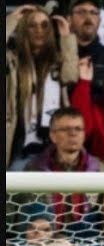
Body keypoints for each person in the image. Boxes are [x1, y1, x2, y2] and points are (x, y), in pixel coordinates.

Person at [5, 4, 78, 169]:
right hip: (20, 148)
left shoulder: (58, 60)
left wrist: (66, 37)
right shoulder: (12, 61)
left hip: (53, 147)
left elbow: (71, 76)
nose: (39, 30)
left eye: (45, 25)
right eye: (32, 25)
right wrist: (11, 22)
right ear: (24, 30)